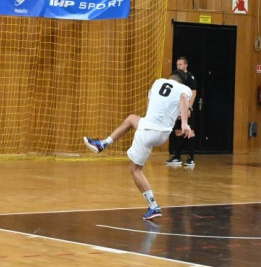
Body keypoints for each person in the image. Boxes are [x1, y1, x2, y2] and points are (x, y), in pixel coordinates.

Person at [83, 71, 193, 220]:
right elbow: (183, 100)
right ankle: (102, 144)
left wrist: (182, 122)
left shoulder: (158, 82)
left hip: (147, 131)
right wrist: (184, 122)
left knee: (135, 170)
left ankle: (154, 206)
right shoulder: (185, 89)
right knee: (132, 119)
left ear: (171, 78)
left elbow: (153, 103)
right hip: (163, 135)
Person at [166, 56, 197, 167]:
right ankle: (177, 157)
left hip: (186, 107)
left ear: (185, 65)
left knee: (190, 131)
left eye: (180, 64)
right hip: (177, 108)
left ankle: (191, 158)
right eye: (177, 64)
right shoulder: (175, 77)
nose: (178, 66)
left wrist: (188, 108)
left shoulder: (190, 77)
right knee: (178, 131)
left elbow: (193, 93)